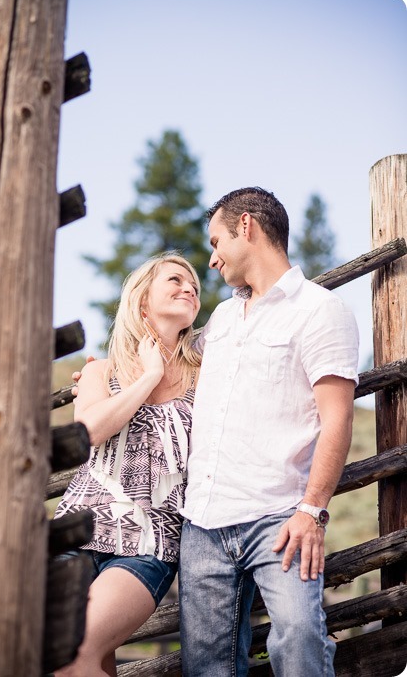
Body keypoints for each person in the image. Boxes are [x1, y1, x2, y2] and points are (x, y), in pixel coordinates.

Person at [178, 187, 359, 677]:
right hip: (202, 523)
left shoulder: (321, 310)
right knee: (207, 669)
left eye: (216, 242)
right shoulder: (219, 319)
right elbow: (165, 361)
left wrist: (312, 509)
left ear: (246, 227)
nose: (212, 259)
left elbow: (337, 418)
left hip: (281, 519)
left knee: (300, 646)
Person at [53, 253, 201, 677]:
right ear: (142, 302)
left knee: (69, 651)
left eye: (194, 285)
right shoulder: (102, 372)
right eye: (176, 280)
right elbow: (90, 430)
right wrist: (148, 378)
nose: (189, 288)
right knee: (85, 659)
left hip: (148, 543)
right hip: (76, 532)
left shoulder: (206, 375)